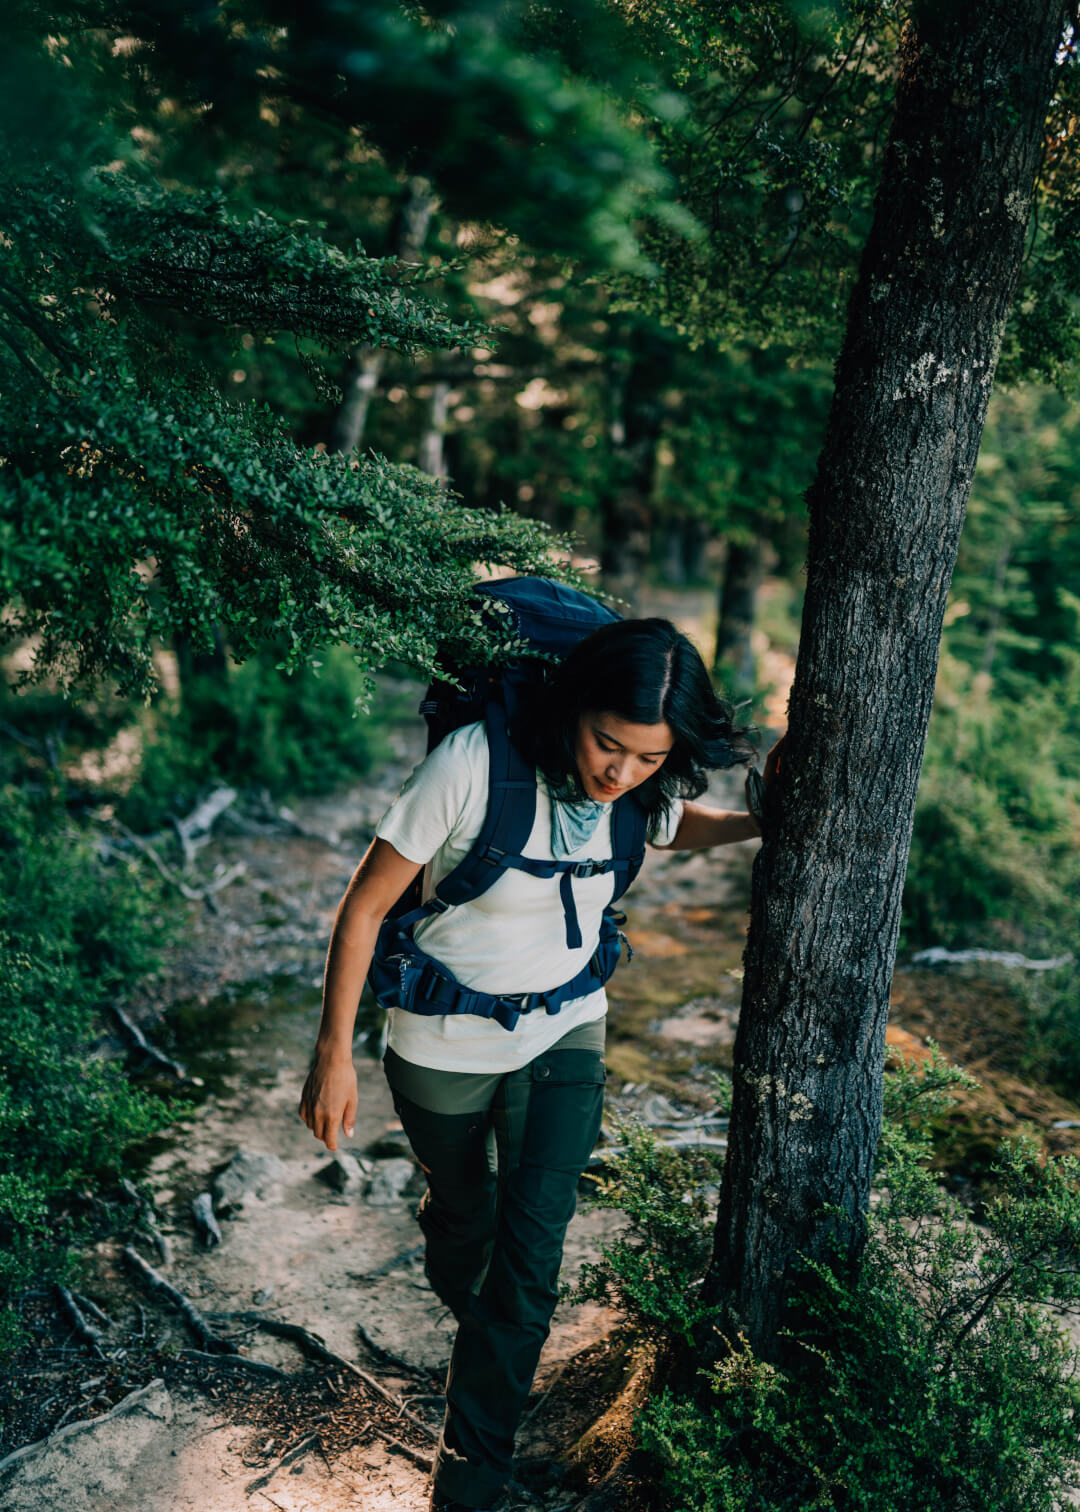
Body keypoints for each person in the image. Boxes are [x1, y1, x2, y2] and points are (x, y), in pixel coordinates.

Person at [298, 616, 774, 1512]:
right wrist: (333, 1056)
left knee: (527, 1271)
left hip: (566, 1033)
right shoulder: (474, 763)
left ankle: (468, 1486)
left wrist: (757, 823)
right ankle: (461, 1252)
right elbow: (362, 911)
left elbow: (672, 828)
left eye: (644, 759)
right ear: (573, 708)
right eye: (607, 746)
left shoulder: (643, 784)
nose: (618, 775)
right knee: (468, 1234)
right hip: (441, 1047)